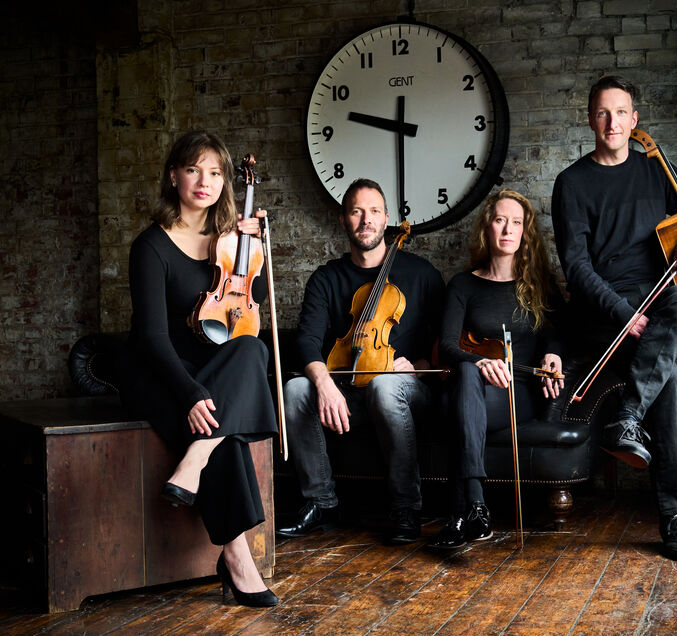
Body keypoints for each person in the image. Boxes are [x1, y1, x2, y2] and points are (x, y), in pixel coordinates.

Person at [551, 76, 677, 563]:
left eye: (621, 113)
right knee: (665, 375)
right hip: (601, 314)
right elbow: (576, 268)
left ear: (635, 119)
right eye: (602, 113)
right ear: (591, 120)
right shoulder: (572, 183)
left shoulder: (658, 170)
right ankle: (676, 517)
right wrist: (624, 314)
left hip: (656, 306)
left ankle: (628, 415)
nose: (612, 122)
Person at [119, 131, 279, 607]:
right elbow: (151, 338)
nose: (204, 181)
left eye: (214, 172)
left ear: (225, 181)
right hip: (158, 371)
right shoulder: (150, 246)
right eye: (193, 170)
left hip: (210, 365)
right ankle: (238, 560)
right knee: (220, 423)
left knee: (252, 349)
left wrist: (254, 252)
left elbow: (249, 309)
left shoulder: (230, 241)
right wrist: (190, 392)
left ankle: (196, 458)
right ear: (174, 176)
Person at [277, 178, 445, 544]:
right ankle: (321, 503)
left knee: (385, 385)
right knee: (295, 390)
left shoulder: (422, 274)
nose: (366, 220)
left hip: (405, 391)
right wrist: (324, 383)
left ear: (386, 219)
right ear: (343, 220)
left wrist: (418, 366)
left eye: (373, 211)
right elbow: (306, 341)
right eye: (356, 211)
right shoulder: (326, 278)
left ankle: (406, 507)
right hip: (346, 387)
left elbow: (446, 340)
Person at [428, 189, 564, 549]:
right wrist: (481, 361)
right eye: (500, 220)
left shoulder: (540, 285)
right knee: (466, 376)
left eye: (516, 222)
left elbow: (557, 335)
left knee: (459, 405)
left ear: (525, 232)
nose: (508, 229)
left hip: (517, 395)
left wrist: (553, 355)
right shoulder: (463, 285)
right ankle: (476, 505)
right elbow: (447, 346)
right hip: (469, 390)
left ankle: (459, 515)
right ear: (486, 227)